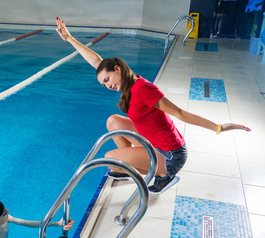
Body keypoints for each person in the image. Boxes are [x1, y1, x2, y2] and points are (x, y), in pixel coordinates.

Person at [55, 17, 251, 194]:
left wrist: (220, 127)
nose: (108, 85)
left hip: (170, 155)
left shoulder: (142, 89)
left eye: (107, 79)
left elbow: (180, 113)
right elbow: (97, 61)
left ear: (117, 69)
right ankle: (129, 167)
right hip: (154, 143)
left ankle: (164, 175)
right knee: (113, 121)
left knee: (109, 158)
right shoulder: (127, 84)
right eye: (104, 84)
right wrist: (70, 38)